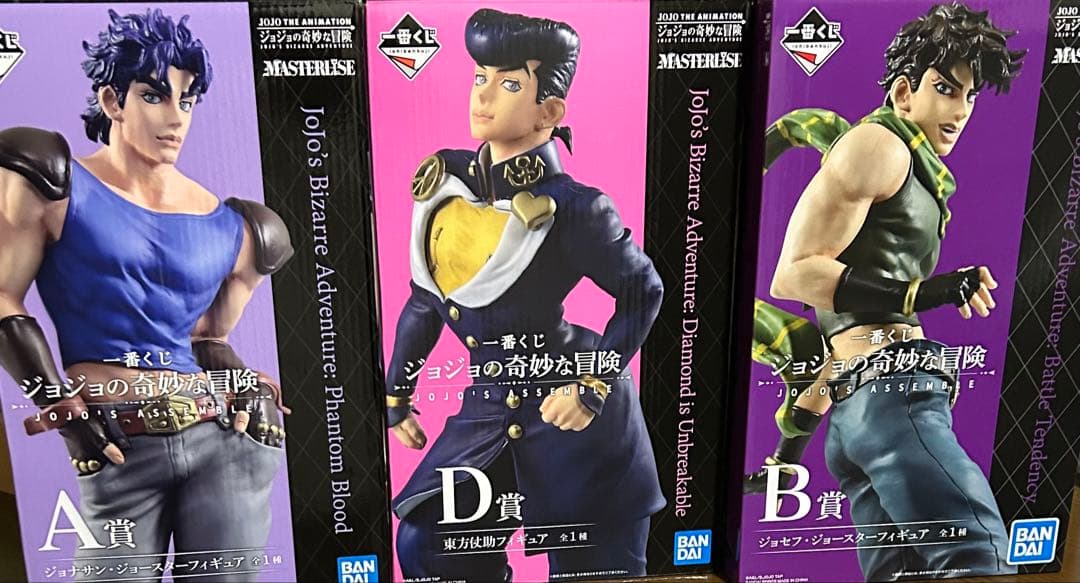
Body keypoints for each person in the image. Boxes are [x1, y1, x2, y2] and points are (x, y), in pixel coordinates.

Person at [0, 9, 292, 581]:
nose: (175, 117)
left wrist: (250, 387)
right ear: (112, 100)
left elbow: (207, 339)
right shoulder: (52, 179)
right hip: (115, 440)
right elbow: (4, 298)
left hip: (225, 441)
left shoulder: (239, 227)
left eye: (188, 99)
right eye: (154, 95)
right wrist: (63, 412)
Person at [745, 3, 1025, 580]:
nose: (960, 111)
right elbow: (794, 274)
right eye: (945, 89)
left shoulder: (911, 165)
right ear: (903, 92)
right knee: (978, 556)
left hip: (858, 405)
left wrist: (783, 458)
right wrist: (930, 292)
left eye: (970, 96)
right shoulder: (879, 146)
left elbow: (834, 346)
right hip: (893, 395)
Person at [384, 8, 665, 581]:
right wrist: (396, 394)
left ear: (549, 112)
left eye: (510, 84)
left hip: (578, 420)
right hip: (489, 408)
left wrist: (591, 386)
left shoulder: (577, 207)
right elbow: (424, 300)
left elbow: (643, 289)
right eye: (479, 77)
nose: (483, 95)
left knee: (591, 567)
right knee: (428, 545)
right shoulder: (443, 187)